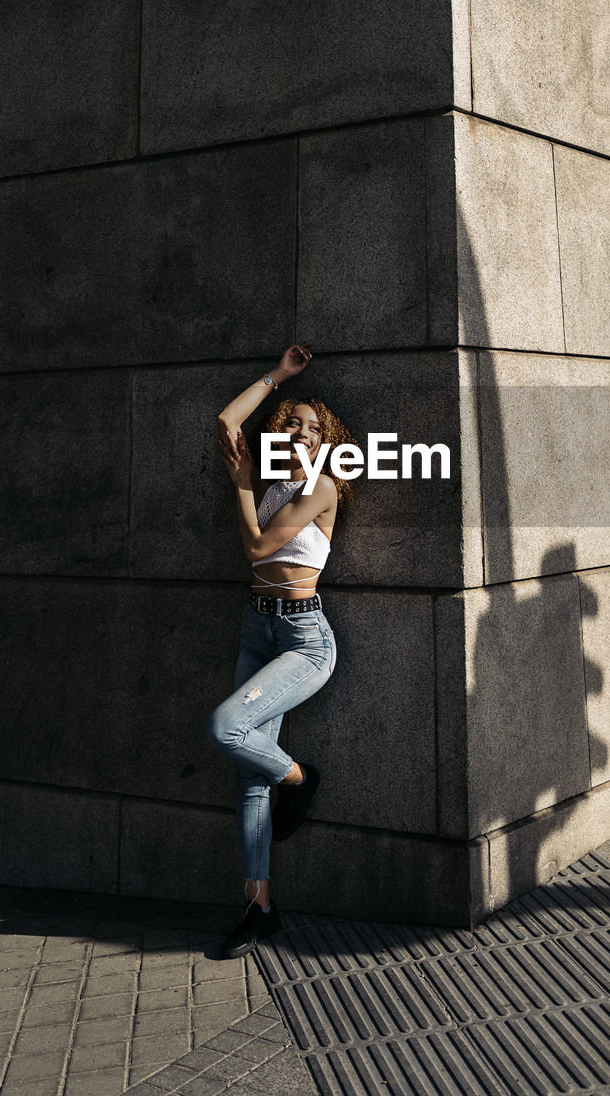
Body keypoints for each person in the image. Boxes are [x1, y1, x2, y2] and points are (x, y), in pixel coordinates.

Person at [204, 342, 357, 959]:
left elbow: (261, 550)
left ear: (325, 444)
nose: (299, 431)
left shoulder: (322, 488)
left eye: (312, 427)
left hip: (303, 638)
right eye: (291, 422)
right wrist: (280, 375)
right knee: (247, 775)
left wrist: (241, 486)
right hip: (256, 626)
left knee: (226, 727)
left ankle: (299, 778)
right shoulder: (269, 479)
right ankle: (258, 906)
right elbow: (224, 422)